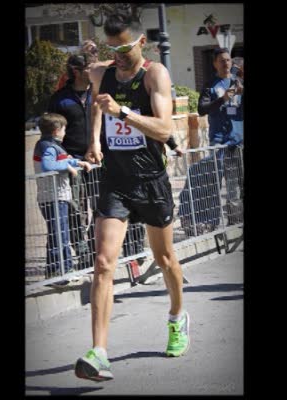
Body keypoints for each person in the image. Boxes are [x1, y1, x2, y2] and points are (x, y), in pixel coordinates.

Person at [74, 13, 190, 382]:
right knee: (104, 263)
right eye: (112, 50)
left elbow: (164, 128)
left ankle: (176, 318)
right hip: (116, 181)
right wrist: (95, 139)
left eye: (124, 48)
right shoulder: (99, 74)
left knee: (166, 258)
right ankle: (99, 352)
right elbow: (98, 103)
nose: (118, 57)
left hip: (151, 180)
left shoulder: (156, 75)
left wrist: (123, 111)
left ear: (142, 43)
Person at [48, 54, 96, 268]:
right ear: (76, 71)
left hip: (98, 161)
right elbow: (51, 132)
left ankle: (97, 248)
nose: (93, 70)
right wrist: (64, 159)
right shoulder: (60, 98)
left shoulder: (99, 93)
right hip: (72, 163)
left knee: (103, 206)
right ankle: (83, 252)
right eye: (89, 67)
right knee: (75, 209)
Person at [32, 113, 92, 282]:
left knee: (59, 235)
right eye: (64, 129)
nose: (65, 132)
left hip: (55, 196)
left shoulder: (48, 145)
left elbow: (60, 159)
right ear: (56, 131)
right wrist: (67, 166)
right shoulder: (48, 146)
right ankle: (60, 273)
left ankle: (62, 270)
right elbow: (48, 165)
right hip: (54, 197)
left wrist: (76, 162)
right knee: (59, 236)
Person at [197, 47, 243, 226]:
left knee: (234, 188)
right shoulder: (210, 85)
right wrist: (225, 98)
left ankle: (234, 224)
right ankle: (212, 222)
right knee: (213, 184)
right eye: (222, 60)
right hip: (218, 142)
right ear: (215, 63)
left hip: (236, 141)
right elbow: (201, 109)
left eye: (228, 60)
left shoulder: (238, 83)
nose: (226, 63)